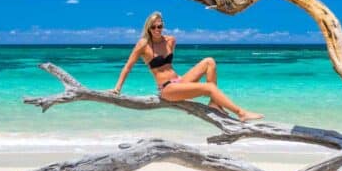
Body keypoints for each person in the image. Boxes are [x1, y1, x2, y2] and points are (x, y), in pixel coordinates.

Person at [111, 11, 264, 122]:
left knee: (209, 61)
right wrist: (117, 89)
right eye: (153, 27)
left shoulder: (170, 40)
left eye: (160, 26)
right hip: (167, 89)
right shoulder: (143, 45)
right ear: (148, 28)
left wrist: (181, 82)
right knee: (209, 88)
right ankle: (240, 113)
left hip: (179, 81)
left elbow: (168, 65)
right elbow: (127, 67)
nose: (157, 29)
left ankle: (214, 104)